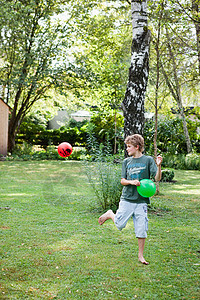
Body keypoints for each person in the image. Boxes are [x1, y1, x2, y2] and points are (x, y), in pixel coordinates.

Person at [98, 134, 163, 265]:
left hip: (141, 201)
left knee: (141, 228)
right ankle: (111, 214)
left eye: (129, 147)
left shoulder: (148, 160)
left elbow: (157, 179)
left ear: (137, 147)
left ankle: (141, 255)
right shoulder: (126, 162)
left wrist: (159, 166)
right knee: (120, 224)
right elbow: (122, 181)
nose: (127, 149)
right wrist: (131, 182)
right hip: (127, 198)